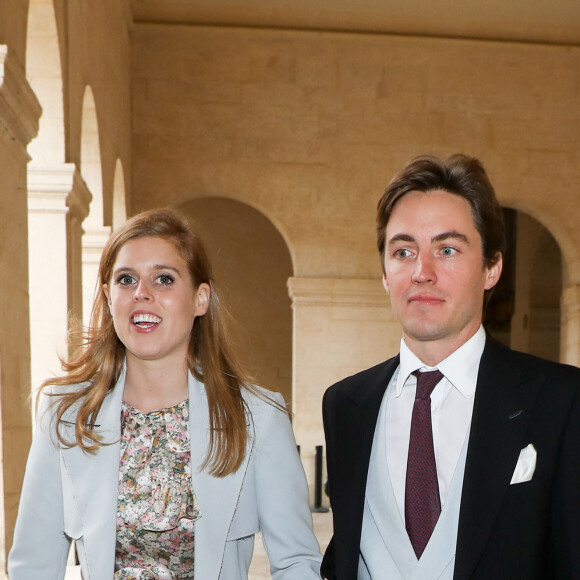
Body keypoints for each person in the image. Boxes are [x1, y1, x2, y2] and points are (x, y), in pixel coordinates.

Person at [9, 208, 322, 579]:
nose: (142, 294)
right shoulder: (66, 416)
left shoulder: (258, 418)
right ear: (109, 298)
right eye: (127, 279)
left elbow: (296, 565)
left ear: (200, 299)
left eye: (163, 279)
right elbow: (34, 566)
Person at [321, 154, 580, 579]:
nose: (422, 272)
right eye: (403, 251)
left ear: (492, 268)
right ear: (385, 273)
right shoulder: (346, 405)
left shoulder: (561, 401)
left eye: (447, 249)